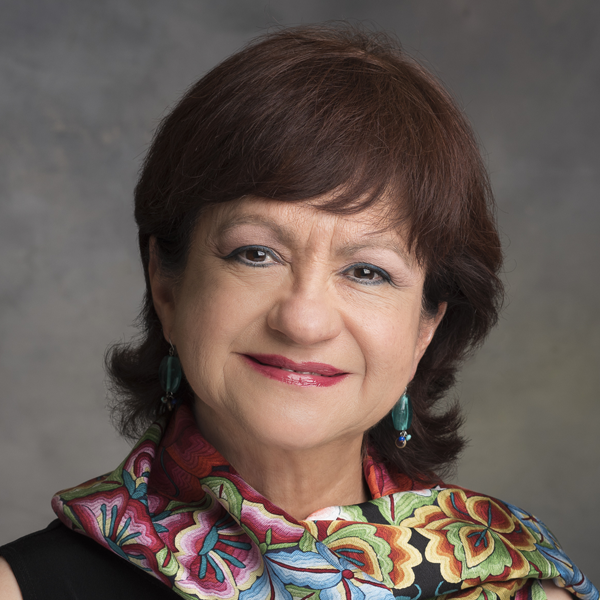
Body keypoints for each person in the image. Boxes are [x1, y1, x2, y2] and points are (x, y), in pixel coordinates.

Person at [0, 24, 596, 600]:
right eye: (256, 254)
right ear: (167, 285)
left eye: (367, 271)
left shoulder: (521, 589)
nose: (304, 321)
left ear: (426, 325)